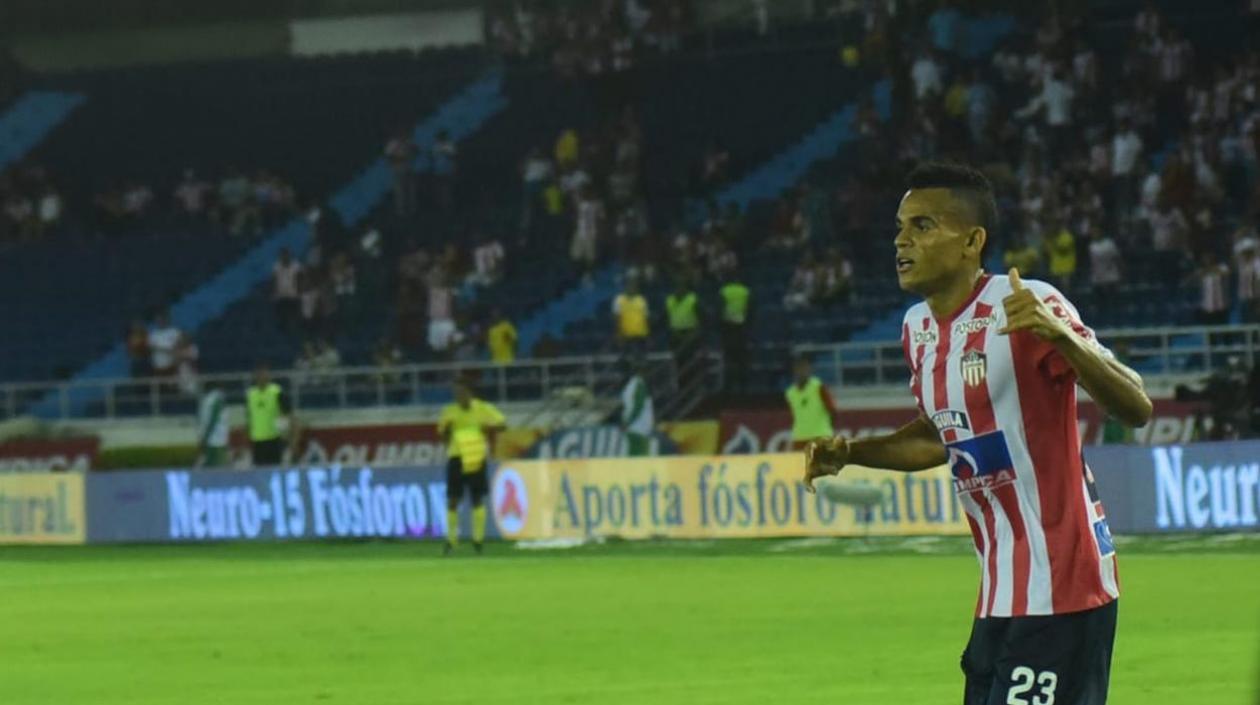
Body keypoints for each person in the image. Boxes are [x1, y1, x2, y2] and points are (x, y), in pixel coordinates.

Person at [805, 163, 1152, 705]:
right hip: (998, 593)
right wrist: (852, 452)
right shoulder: (916, 330)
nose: (901, 239)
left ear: (972, 241)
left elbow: (1136, 405)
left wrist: (1062, 337)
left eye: (922, 226)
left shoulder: (1025, 303)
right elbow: (940, 437)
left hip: (1064, 584)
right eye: (899, 227)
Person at [438, 377, 506, 555]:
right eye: (456, 394)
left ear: (470, 393)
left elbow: (502, 425)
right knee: (453, 499)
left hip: (476, 457)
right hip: (457, 457)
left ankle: (478, 540)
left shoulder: (483, 409)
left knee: (477, 498)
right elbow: (442, 434)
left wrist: (488, 426)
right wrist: (447, 432)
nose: (459, 397)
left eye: (462, 393)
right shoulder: (449, 411)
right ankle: (451, 540)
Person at [247, 362, 298, 467]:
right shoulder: (250, 394)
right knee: (259, 475)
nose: (262, 377)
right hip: (257, 441)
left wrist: (292, 440)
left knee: (275, 471)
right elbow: (249, 418)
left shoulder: (276, 392)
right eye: (259, 374)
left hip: (274, 440)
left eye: (264, 374)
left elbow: (290, 416)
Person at [786, 355, 838, 450]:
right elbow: (794, 416)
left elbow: (833, 410)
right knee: (799, 464)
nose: (801, 372)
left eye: (804, 368)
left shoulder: (818, 387)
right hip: (800, 437)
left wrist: (829, 430)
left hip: (821, 436)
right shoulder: (790, 392)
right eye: (798, 368)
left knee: (824, 464)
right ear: (794, 371)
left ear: (809, 370)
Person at [718, 272, 751, 393]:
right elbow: (750, 310)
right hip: (741, 328)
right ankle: (743, 387)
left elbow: (719, 310)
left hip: (728, 328)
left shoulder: (724, 291)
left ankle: (729, 386)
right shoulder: (745, 291)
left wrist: (721, 327)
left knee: (729, 359)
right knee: (741, 359)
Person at [620, 359, 654, 457]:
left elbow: (638, 406)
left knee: (638, 454)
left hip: (638, 425)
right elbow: (634, 406)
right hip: (636, 425)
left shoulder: (637, 384)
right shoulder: (635, 384)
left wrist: (627, 422)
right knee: (637, 453)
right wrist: (627, 421)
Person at [612, 277, 650, 355]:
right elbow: (616, 319)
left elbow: (646, 319)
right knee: (627, 358)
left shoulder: (641, 300)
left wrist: (648, 337)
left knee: (641, 358)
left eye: (633, 285)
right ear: (625, 286)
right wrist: (618, 335)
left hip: (641, 335)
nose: (631, 287)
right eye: (629, 285)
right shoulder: (619, 300)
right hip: (625, 336)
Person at [196, 382, 230, 468]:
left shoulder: (207, 401)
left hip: (211, 440)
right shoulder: (216, 400)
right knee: (218, 470)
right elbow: (213, 420)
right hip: (217, 442)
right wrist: (206, 438)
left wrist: (204, 438)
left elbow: (208, 421)